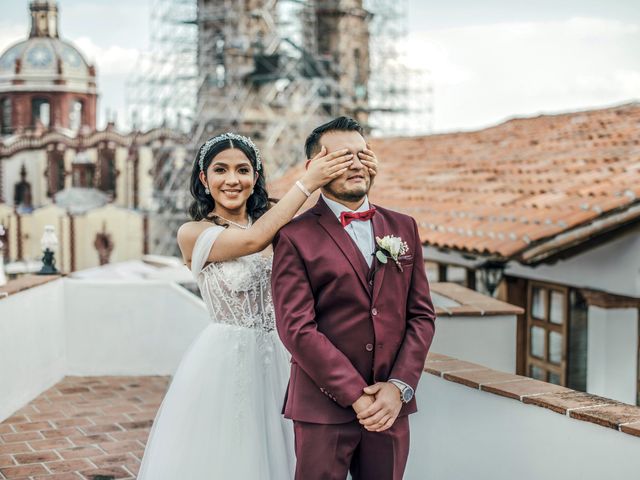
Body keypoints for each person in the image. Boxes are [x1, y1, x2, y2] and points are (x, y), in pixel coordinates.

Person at [136, 132, 378, 479]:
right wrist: (307, 182)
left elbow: (324, 230)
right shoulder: (193, 232)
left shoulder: (280, 228)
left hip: (285, 354)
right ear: (204, 179)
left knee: (296, 452)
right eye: (220, 170)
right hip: (227, 359)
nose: (232, 180)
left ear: (255, 177)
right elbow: (252, 239)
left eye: (243, 170)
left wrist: (360, 175)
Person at [271, 117, 437, 480]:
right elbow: (297, 329)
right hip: (322, 409)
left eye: (363, 154)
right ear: (315, 168)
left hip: (391, 408)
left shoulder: (403, 226)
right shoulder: (293, 237)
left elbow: (421, 316)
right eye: (343, 157)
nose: (357, 164)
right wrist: (355, 396)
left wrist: (399, 387)